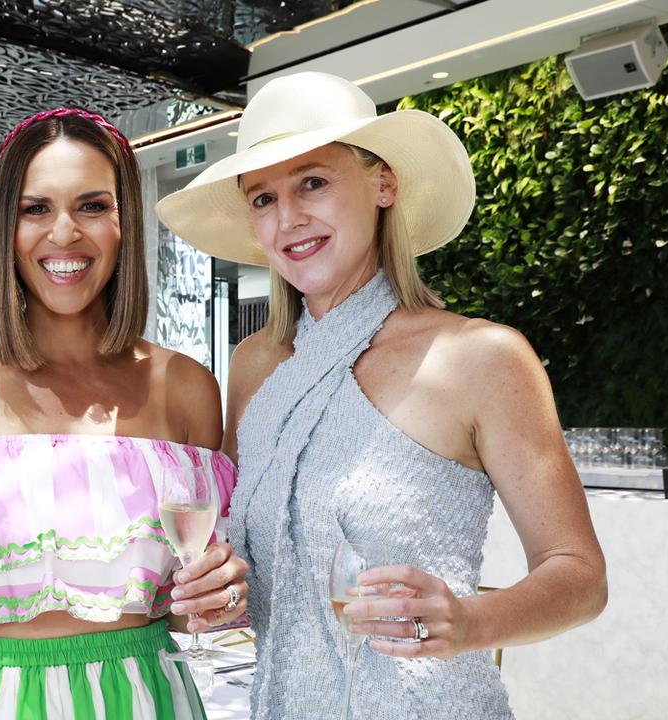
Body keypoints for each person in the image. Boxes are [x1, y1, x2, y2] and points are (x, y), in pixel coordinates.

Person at [155, 72, 607, 719]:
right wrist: (223, 594)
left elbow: (580, 577)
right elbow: (259, 570)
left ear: (383, 183)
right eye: (262, 198)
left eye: (313, 181)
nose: (289, 218)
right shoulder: (255, 365)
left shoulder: (481, 357)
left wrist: (471, 622)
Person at [0, 108, 251, 719]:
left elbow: (188, 603)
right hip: (0, 702)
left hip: (150, 698)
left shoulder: (187, 388)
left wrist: (220, 593)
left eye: (92, 206)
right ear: (6, 228)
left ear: (124, 223)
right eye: (36, 209)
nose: (64, 233)